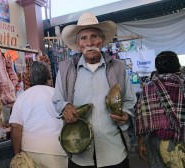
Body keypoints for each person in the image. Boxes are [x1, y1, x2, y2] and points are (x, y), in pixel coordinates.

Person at [52, 12, 137, 168]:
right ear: (78, 44)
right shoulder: (65, 69)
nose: (89, 42)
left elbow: (129, 100)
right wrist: (64, 107)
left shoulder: (119, 68)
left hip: (114, 152)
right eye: (83, 38)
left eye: (94, 37)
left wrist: (125, 114)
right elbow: (57, 100)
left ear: (102, 40)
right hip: (79, 151)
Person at [9, 61, 67, 168]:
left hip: (30, 153)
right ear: (49, 79)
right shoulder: (58, 95)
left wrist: (17, 155)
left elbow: (15, 127)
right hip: (58, 151)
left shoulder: (22, 97)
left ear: (30, 79)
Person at [135, 51, 185, 168]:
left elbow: (141, 115)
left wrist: (140, 143)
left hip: (157, 140)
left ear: (157, 67)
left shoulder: (149, 87)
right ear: (177, 65)